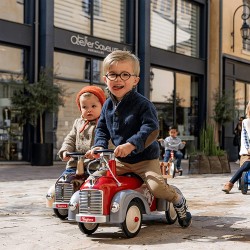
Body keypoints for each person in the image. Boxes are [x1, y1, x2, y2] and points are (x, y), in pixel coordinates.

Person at [86, 50, 192, 228]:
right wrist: (99, 146)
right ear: (105, 79)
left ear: (135, 80)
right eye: (113, 74)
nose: (118, 79)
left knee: (156, 187)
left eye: (125, 74)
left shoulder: (143, 104)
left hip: (144, 159)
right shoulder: (107, 106)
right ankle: (95, 209)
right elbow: (102, 128)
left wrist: (132, 144)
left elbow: (151, 129)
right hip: (119, 160)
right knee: (94, 179)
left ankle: (178, 200)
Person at [46, 85, 106, 203]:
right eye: (84, 107)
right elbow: (70, 138)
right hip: (75, 164)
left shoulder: (104, 124)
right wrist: (65, 151)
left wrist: (99, 153)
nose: (89, 110)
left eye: (94, 106)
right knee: (65, 180)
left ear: (102, 106)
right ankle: (62, 198)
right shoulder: (78, 123)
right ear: (80, 108)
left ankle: (89, 202)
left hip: (95, 165)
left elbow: (108, 141)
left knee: (93, 183)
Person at [222, 102, 250, 193]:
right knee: (248, 164)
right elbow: (245, 139)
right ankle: (230, 183)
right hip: (247, 154)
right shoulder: (246, 122)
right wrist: (249, 149)